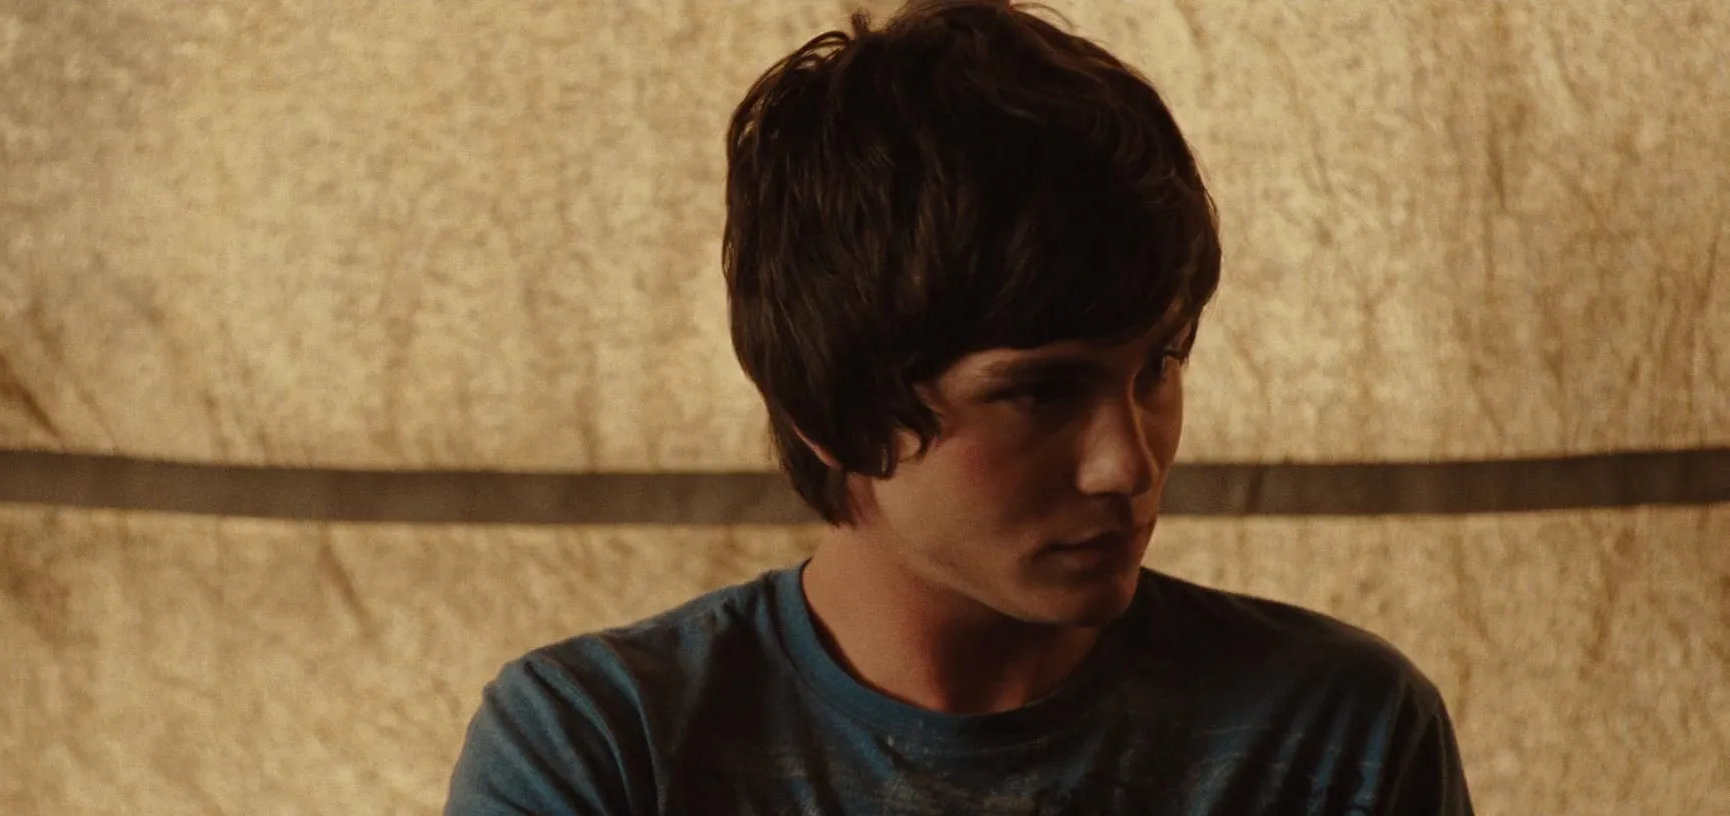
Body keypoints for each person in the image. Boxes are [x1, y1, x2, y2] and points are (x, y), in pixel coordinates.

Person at [447, 0, 1474, 812]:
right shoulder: (605, 747)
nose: (1128, 462)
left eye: (1157, 367)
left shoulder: (1336, 735)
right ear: (833, 411)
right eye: (1040, 392)